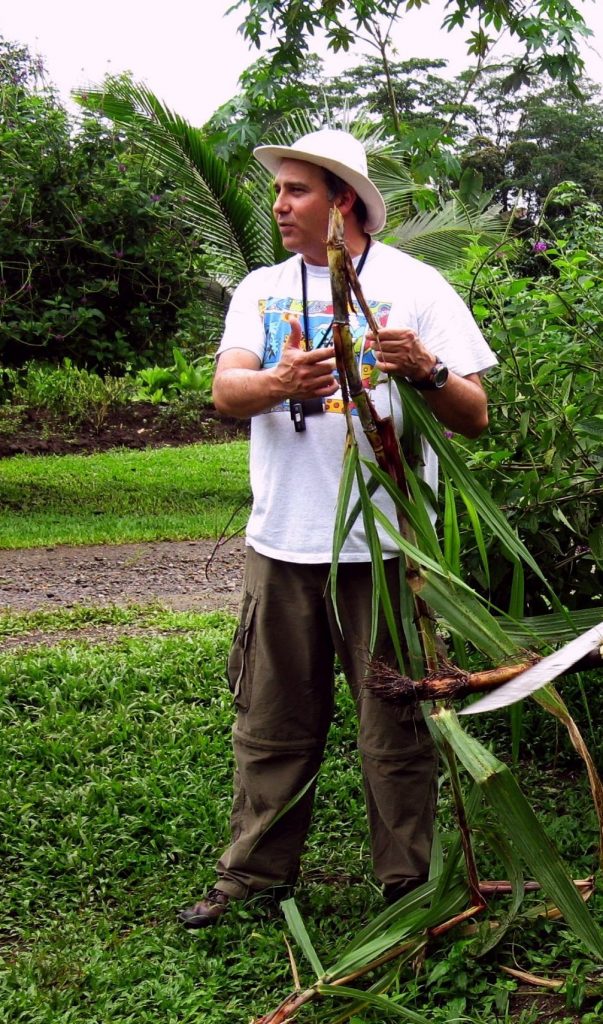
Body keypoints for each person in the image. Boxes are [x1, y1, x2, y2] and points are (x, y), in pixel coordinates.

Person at [177, 129, 497, 928]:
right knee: (271, 720)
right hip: (282, 544)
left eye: (295, 192)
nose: (278, 206)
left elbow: (474, 417)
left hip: (385, 548)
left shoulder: (416, 286)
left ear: (341, 201)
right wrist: (276, 380)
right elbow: (225, 391)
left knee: (393, 726)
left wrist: (424, 369)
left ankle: (406, 882)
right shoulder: (259, 288)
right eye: (279, 191)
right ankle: (253, 876)